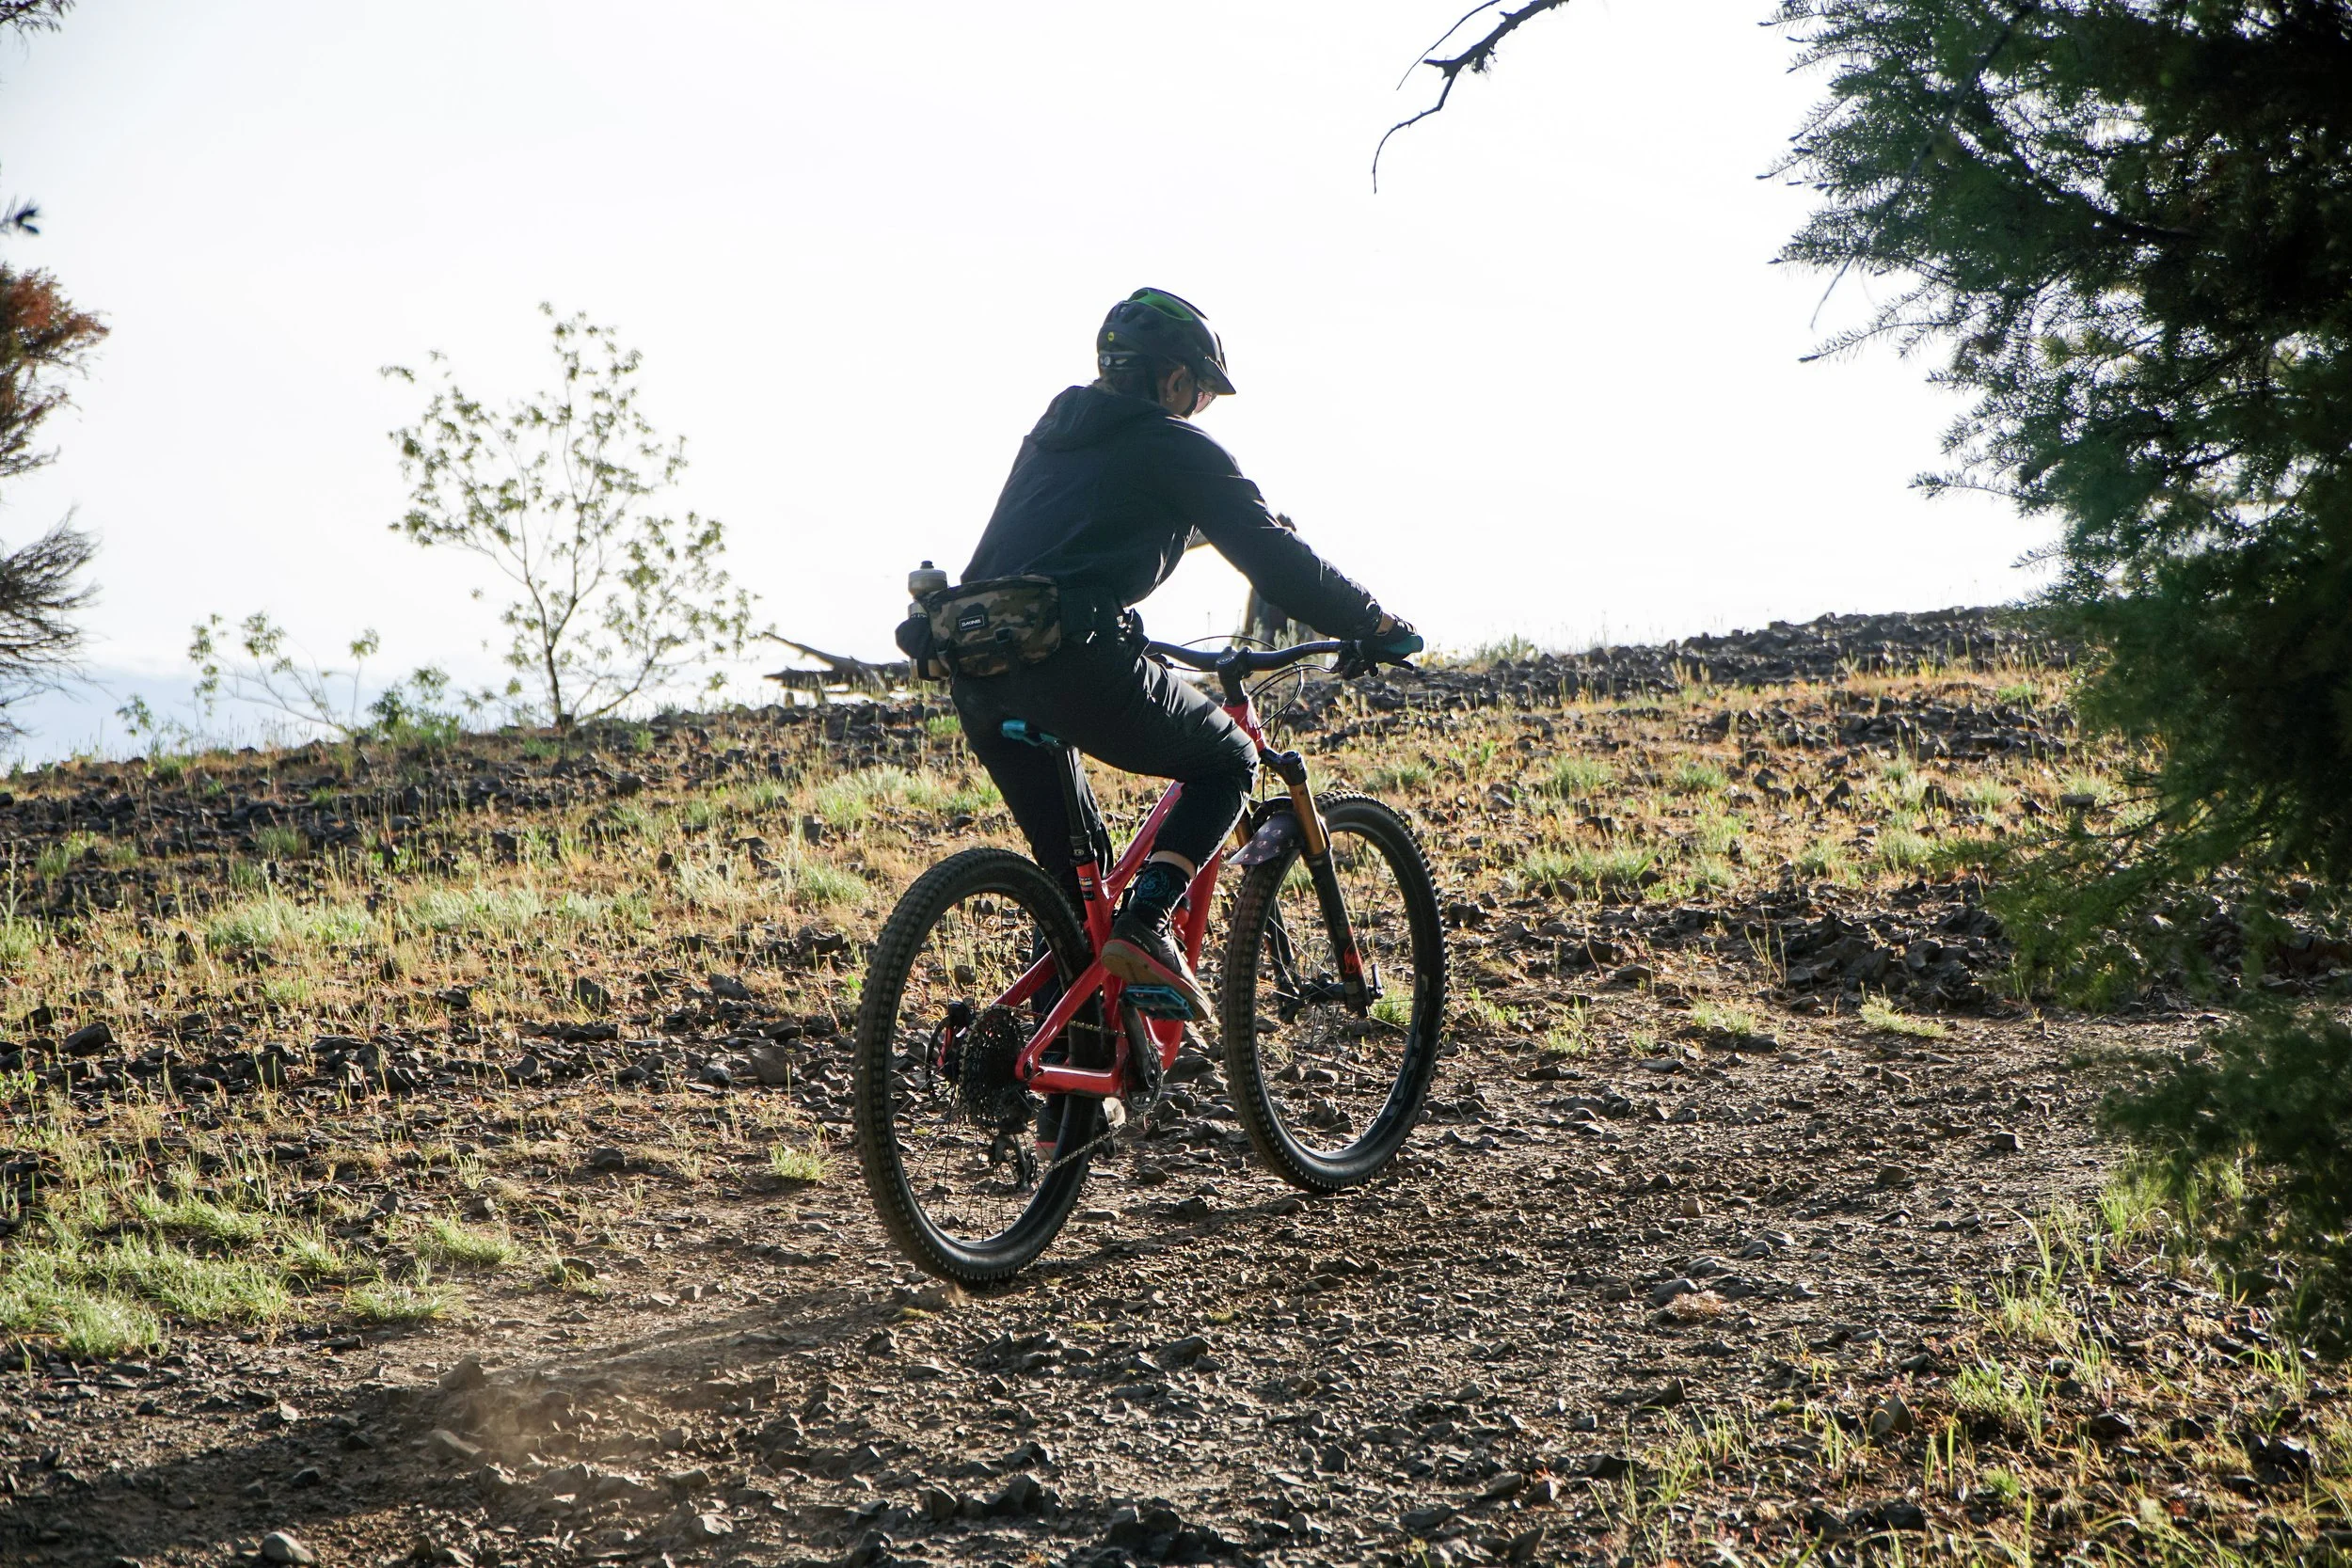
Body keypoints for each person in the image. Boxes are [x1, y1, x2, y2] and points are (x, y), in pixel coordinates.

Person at [940, 288, 1419, 1022]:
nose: (1199, 408)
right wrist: (1372, 620)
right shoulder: (1173, 443)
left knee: (1076, 895)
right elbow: (1276, 558)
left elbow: (1084, 531)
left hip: (980, 670)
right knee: (1230, 759)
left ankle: (1063, 1100)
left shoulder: (1055, 432)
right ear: (1171, 380)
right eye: (1199, 391)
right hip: (1077, 660)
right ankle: (1150, 921)